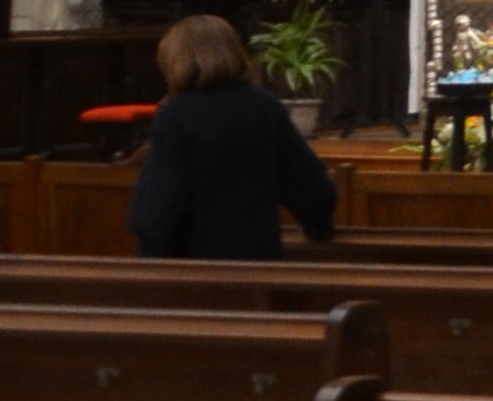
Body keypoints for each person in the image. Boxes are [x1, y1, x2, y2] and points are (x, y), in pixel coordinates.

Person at [128, 14, 338, 258]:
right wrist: (319, 229)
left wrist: (154, 261)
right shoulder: (265, 108)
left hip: (193, 271)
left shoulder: (176, 116)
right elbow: (312, 187)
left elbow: (158, 209)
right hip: (259, 266)